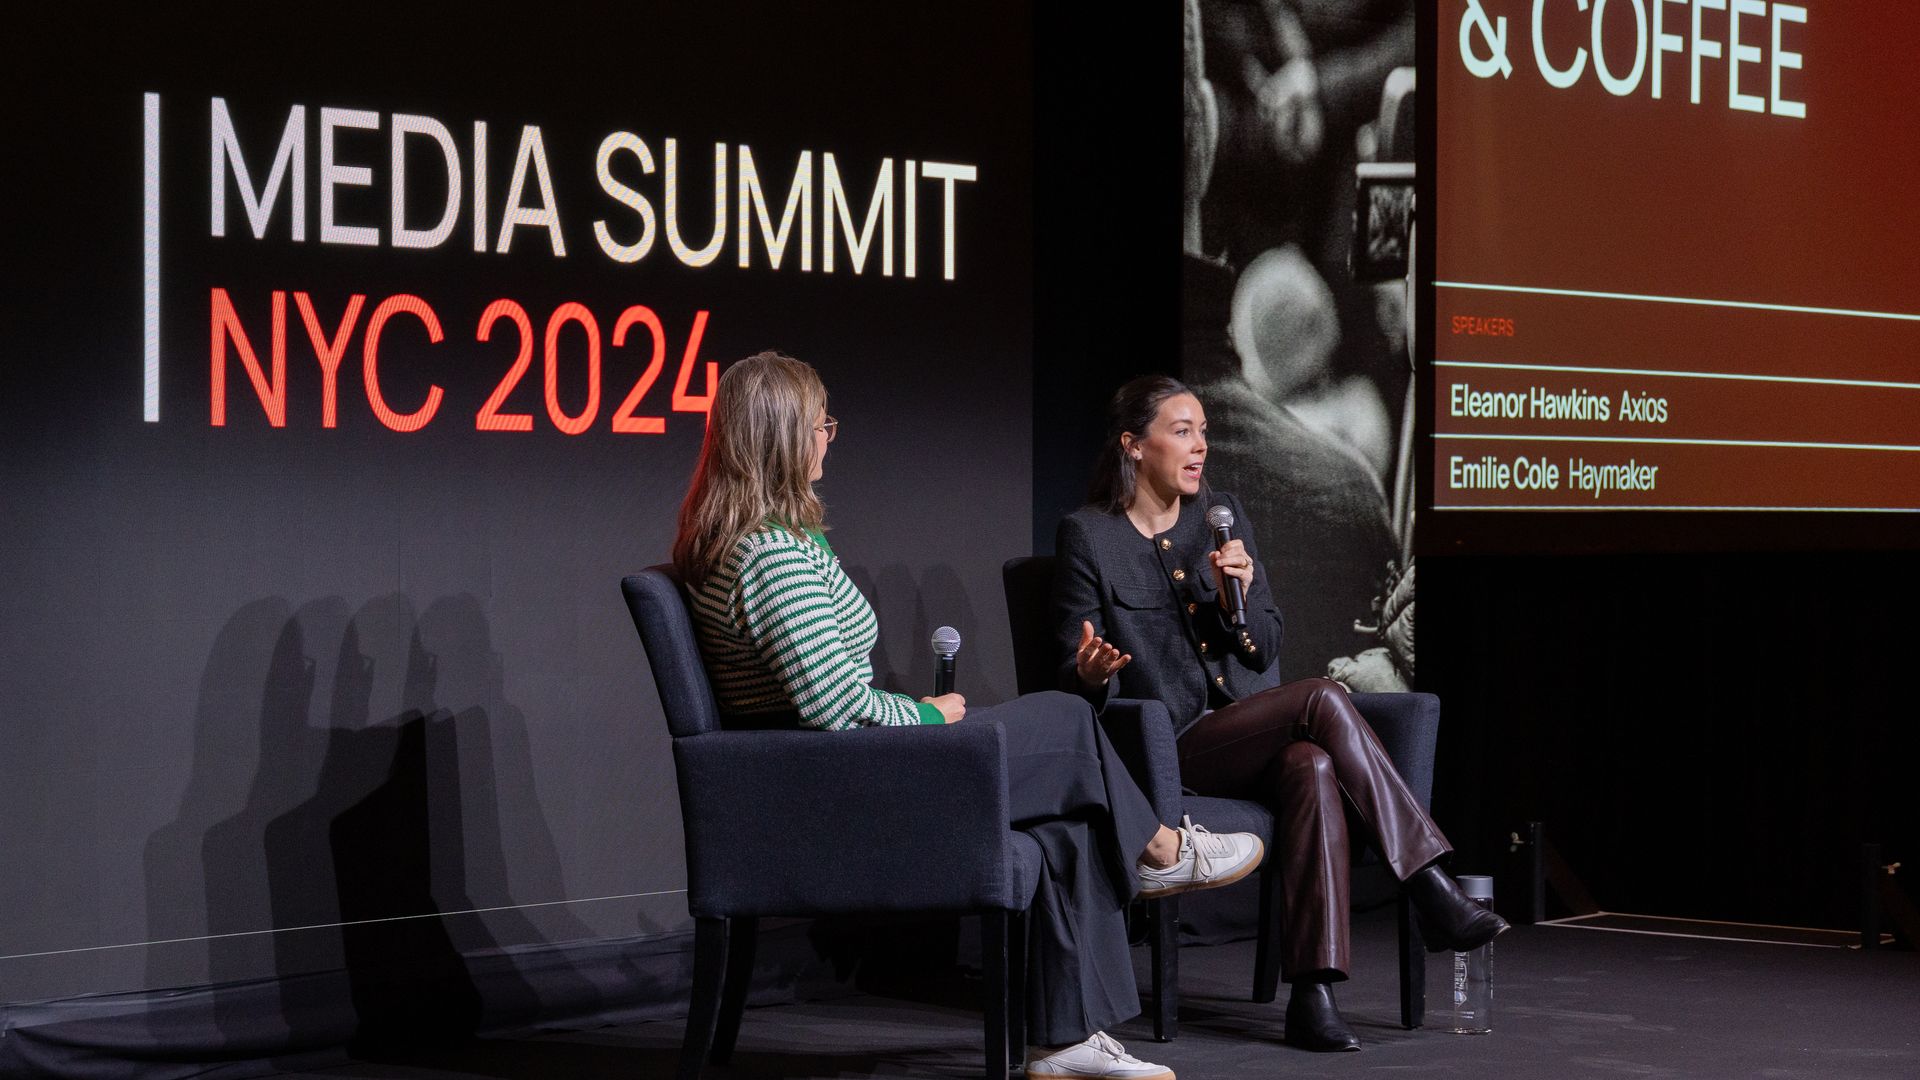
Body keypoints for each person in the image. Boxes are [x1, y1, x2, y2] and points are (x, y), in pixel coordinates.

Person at [671, 351, 1266, 1080]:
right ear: (781, 437)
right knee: (1067, 720)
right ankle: (1163, 852)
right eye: (821, 424)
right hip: (850, 782)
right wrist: (925, 715)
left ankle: (1064, 1042)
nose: (830, 437)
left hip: (843, 767)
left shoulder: (759, 541)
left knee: (1068, 824)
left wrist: (922, 715)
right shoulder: (771, 557)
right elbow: (835, 708)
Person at [1050, 375, 1507, 1052]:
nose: (1200, 446)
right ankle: (1427, 884)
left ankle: (1313, 995)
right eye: (1182, 431)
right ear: (1133, 445)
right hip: (1166, 749)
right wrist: (1090, 672)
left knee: (1311, 765)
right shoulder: (1090, 536)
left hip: (1245, 734)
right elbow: (1071, 671)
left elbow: (1265, 644)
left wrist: (1233, 599)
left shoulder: (1222, 516)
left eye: (1204, 432)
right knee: (1321, 697)